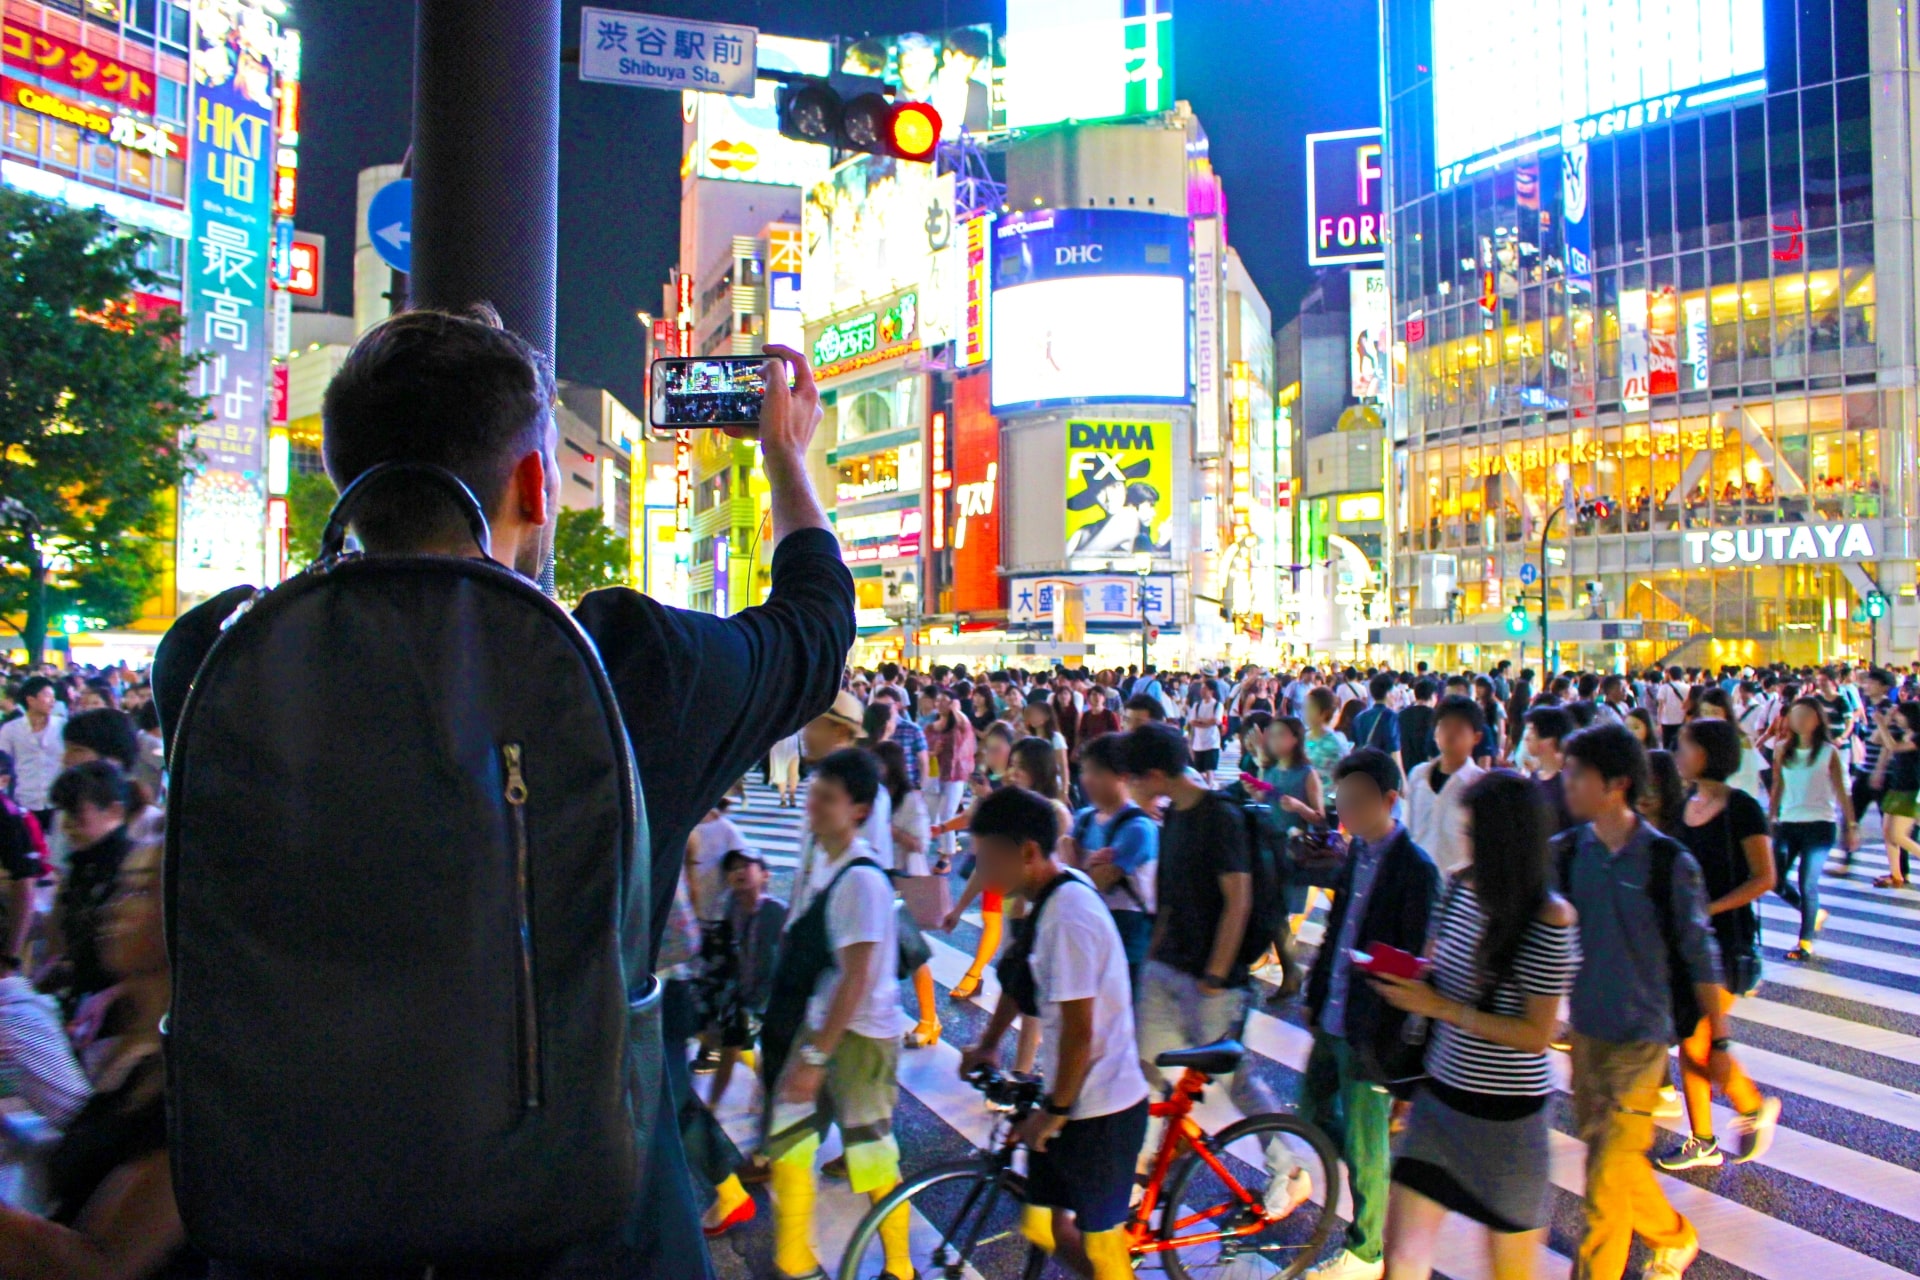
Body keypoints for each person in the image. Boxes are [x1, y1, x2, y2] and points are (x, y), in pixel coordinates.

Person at [151, 315, 856, 1276]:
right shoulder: (632, 667)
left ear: (334, 474)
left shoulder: (212, 659)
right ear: (535, 482)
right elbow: (815, 630)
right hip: (587, 1234)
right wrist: (784, 457)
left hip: (298, 1229)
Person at [1370, 772, 1577, 1280]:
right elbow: (1441, 969)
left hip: (1508, 1122)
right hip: (1439, 1104)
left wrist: (1441, 1008)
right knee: (1400, 1260)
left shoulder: (1550, 918)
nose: (1466, 841)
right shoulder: (1460, 885)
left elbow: (1536, 1034)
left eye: (1475, 831)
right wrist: (1409, 976)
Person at [1558, 724, 1732, 1280]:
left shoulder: (1666, 861)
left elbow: (1701, 955)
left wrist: (1721, 1040)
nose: (1567, 782)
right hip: (1586, 1032)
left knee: (1604, 1184)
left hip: (1641, 1040)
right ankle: (1673, 1233)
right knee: (1611, 1159)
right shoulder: (1566, 853)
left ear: (1616, 784)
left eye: (1577, 773)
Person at [959, 786, 1150, 1280]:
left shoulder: (1068, 914)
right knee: (1040, 1224)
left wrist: (1054, 1113)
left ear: (1025, 852)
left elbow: (1078, 1034)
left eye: (987, 861)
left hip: (1101, 1106)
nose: (982, 875)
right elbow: (1020, 979)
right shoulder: (1044, 897)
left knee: (1103, 1246)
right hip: (1071, 1094)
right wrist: (987, 1043)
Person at [0, 841, 198, 1277]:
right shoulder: (140, 1061)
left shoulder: (195, 1091)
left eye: (139, 891)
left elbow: (104, 1266)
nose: (113, 908)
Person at [1122, 724, 1293, 1197]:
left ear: (1155, 773)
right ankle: (1149, 1159)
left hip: (1212, 978)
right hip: (1169, 965)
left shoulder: (1219, 817)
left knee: (1234, 1079)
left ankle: (1288, 1168)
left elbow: (1237, 899)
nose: (1131, 787)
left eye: (1134, 778)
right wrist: (1156, 953)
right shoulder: (1174, 813)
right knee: (1145, 1065)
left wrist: (1216, 976)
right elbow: (1171, 896)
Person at [1291, 748, 1440, 1280]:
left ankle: (1367, 1248)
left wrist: (1397, 1033)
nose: (1345, 811)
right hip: (1333, 1008)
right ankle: (1342, 1170)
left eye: (1355, 801)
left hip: (1370, 1028)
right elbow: (1338, 925)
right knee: (1310, 1113)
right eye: (1341, 801)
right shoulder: (1357, 854)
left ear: (1390, 800)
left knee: (1365, 1141)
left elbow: (1420, 960)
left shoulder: (1416, 870)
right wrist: (1315, 986)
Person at [761, 748, 909, 1280]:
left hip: (861, 1038)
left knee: (870, 1156)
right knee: (790, 1133)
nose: (814, 805)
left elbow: (858, 976)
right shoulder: (828, 860)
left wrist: (816, 1056)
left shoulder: (861, 879)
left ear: (860, 809)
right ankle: (792, 1257)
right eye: (814, 793)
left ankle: (900, 1265)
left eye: (828, 798)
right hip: (826, 1022)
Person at [1654, 719, 1781, 1172]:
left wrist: (1712, 908)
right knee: (1691, 1040)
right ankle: (1714, 1129)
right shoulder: (1686, 803)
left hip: (1727, 940)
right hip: (1686, 939)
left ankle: (1738, 1113)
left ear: (1707, 753)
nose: (1677, 753)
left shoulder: (1742, 807)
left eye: (1684, 746)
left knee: (1697, 1040)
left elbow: (1765, 877)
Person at [1061, 732, 1158, 991]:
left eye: (1096, 772)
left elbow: (1095, 884)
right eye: (1084, 771)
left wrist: (1074, 861)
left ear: (1122, 777)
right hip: (1087, 937)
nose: (1086, 780)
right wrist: (1083, 865)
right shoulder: (1083, 818)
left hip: (1127, 944)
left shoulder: (1138, 828)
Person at [39, 762, 135, 1019]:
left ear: (114, 811)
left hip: (119, 1015)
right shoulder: (82, 866)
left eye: (76, 815)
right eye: (65, 815)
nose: (67, 826)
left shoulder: (136, 871)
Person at [702, 850, 785, 1117]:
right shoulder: (729, 908)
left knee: (770, 1056)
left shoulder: (776, 911)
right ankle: (712, 1104)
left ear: (764, 875)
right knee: (729, 1049)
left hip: (770, 999)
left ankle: (765, 1103)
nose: (738, 872)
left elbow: (783, 956)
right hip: (738, 995)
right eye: (732, 868)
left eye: (745, 866)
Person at [1405, 697, 1486, 877]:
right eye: (1445, 725)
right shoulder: (1418, 776)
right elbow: (1408, 830)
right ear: (1435, 733)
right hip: (1417, 882)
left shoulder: (1480, 785)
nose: (1451, 733)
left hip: (1456, 890)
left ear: (1476, 737)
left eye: (1459, 728)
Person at [0, 677, 63, 835]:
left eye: (53, 696)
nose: (52, 701)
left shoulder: (62, 726)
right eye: (47, 695)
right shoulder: (11, 729)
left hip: (57, 800)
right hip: (24, 798)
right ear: (31, 700)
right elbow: (4, 764)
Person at [1869, 700, 1920, 889]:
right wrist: (1887, 721)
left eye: (1899, 714)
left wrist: (1883, 724)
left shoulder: (1917, 737)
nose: (1897, 718)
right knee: (1888, 833)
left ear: (1910, 717)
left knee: (1898, 835)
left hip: (1912, 789)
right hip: (1896, 787)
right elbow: (1876, 740)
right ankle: (1896, 874)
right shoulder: (1902, 733)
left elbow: (1893, 748)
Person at [923, 687, 977, 862]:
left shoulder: (960, 727)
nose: (941, 704)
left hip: (955, 776)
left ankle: (947, 853)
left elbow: (966, 725)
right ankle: (928, 848)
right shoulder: (930, 727)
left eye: (946, 700)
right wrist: (932, 753)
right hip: (934, 775)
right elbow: (923, 751)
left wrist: (956, 710)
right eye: (939, 701)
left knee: (947, 814)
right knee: (931, 815)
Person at [1522, 705, 1578, 833]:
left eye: (1532, 730)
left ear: (1550, 741)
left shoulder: (1569, 783)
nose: (1526, 737)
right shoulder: (1535, 776)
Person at [1303, 687, 1351, 798]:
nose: (1305, 712)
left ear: (1324, 713)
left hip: (1329, 804)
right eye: (1305, 708)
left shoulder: (1336, 742)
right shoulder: (1304, 737)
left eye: (1310, 708)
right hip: (1306, 803)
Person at [1639, 750, 1688, 835]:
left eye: (1653, 789)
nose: (1644, 796)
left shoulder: (1684, 825)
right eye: (1640, 787)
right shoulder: (1630, 829)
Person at [1186, 680, 1224, 785]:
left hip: (1212, 742)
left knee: (1210, 769)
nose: (1201, 691)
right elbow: (1192, 722)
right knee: (1199, 770)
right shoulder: (1197, 705)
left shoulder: (1217, 705)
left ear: (1211, 691)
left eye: (1205, 688)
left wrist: (1201, 721)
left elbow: (1216, 721)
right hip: (1198, 743)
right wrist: (1207, 722)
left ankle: (1210, 787)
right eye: (1202, 688)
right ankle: (1206, 787)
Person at [1398, 678, 1439, 773]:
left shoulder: (1402, 715)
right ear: (1433, 696)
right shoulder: (1436, 717)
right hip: (1427, 769)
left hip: (1405, 767)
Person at [1655, 667, 1690, 750]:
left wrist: (1659, 722)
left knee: (1667, 746)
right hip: (1682, 720)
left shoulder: (1664, 687)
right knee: (1680, 745)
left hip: (1667, 721)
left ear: (1670, 675)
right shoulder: (1687, 687)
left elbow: (1660, 706)